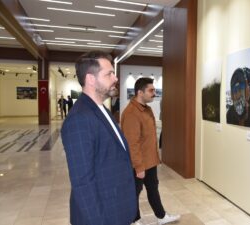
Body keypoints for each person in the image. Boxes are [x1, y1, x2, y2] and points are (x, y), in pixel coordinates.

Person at [61, 51, 137, 225]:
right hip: (103, 215)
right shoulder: (80, 119)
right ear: (91, 79)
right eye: (109, 74)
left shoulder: (101, 110)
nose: (116, 78)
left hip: (116, 207)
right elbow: (82, 182)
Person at [121, 78, 180, 225]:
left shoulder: (147, 109)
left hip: (150, 160)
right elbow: (132, 144)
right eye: (151, 90)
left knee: (153, 189)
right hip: (139, 163)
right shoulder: (131, 113)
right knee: (134, 192)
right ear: (140, 92)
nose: (154, 93)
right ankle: (134, 220)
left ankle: (161, 216)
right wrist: (139, 167)